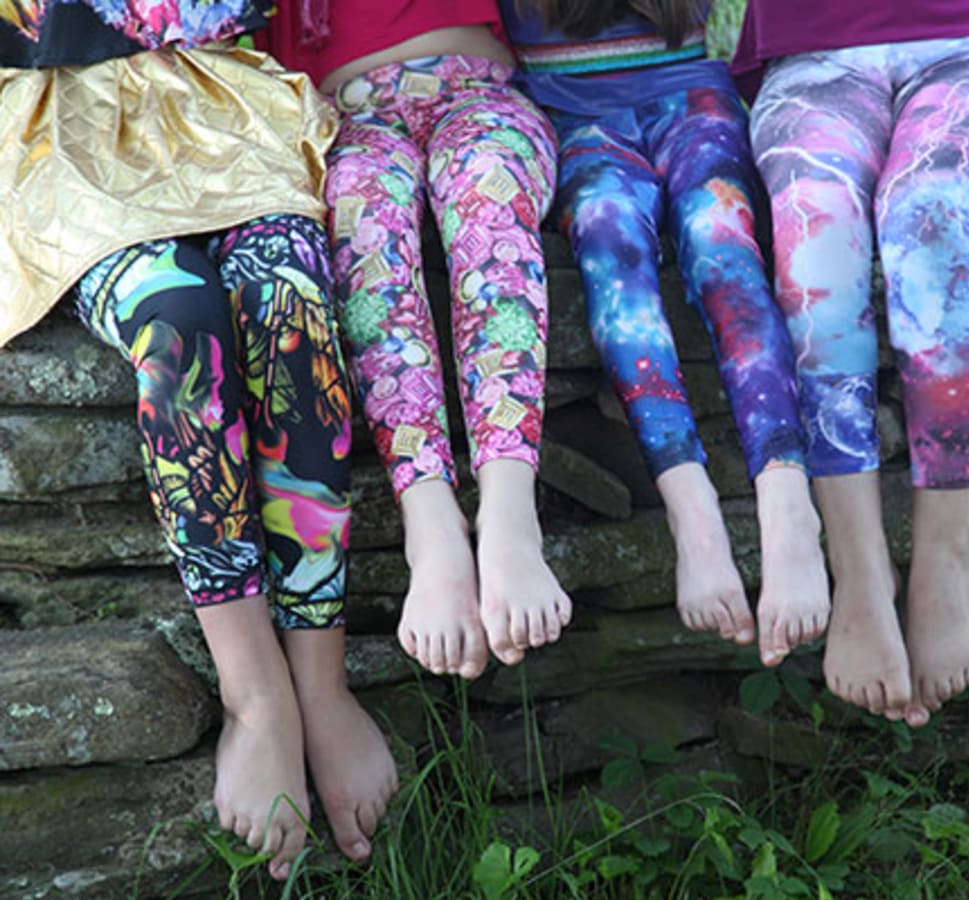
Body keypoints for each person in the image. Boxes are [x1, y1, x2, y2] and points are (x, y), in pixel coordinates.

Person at [0, 1, 397, 879]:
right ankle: (255, 695)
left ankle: (321, 681)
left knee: (289, 304)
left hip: (214, 108)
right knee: (179, 323)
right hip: (55, 134)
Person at [733, 0, 969, 725]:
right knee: (815, 221)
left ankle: (945, 552)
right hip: (810, 53)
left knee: (926, 209)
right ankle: (859, 568)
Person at [497, 0, 831, 667]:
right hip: (574, 116)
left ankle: (787, 502)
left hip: (692, 101)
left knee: (720, 239)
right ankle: (692, 511)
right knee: (609, 240)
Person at [261, 0, 573, 679]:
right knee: (363, 233)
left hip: (481, 94)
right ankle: (430, 525)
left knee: (489, 202)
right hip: (349, 120)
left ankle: (510, 513)